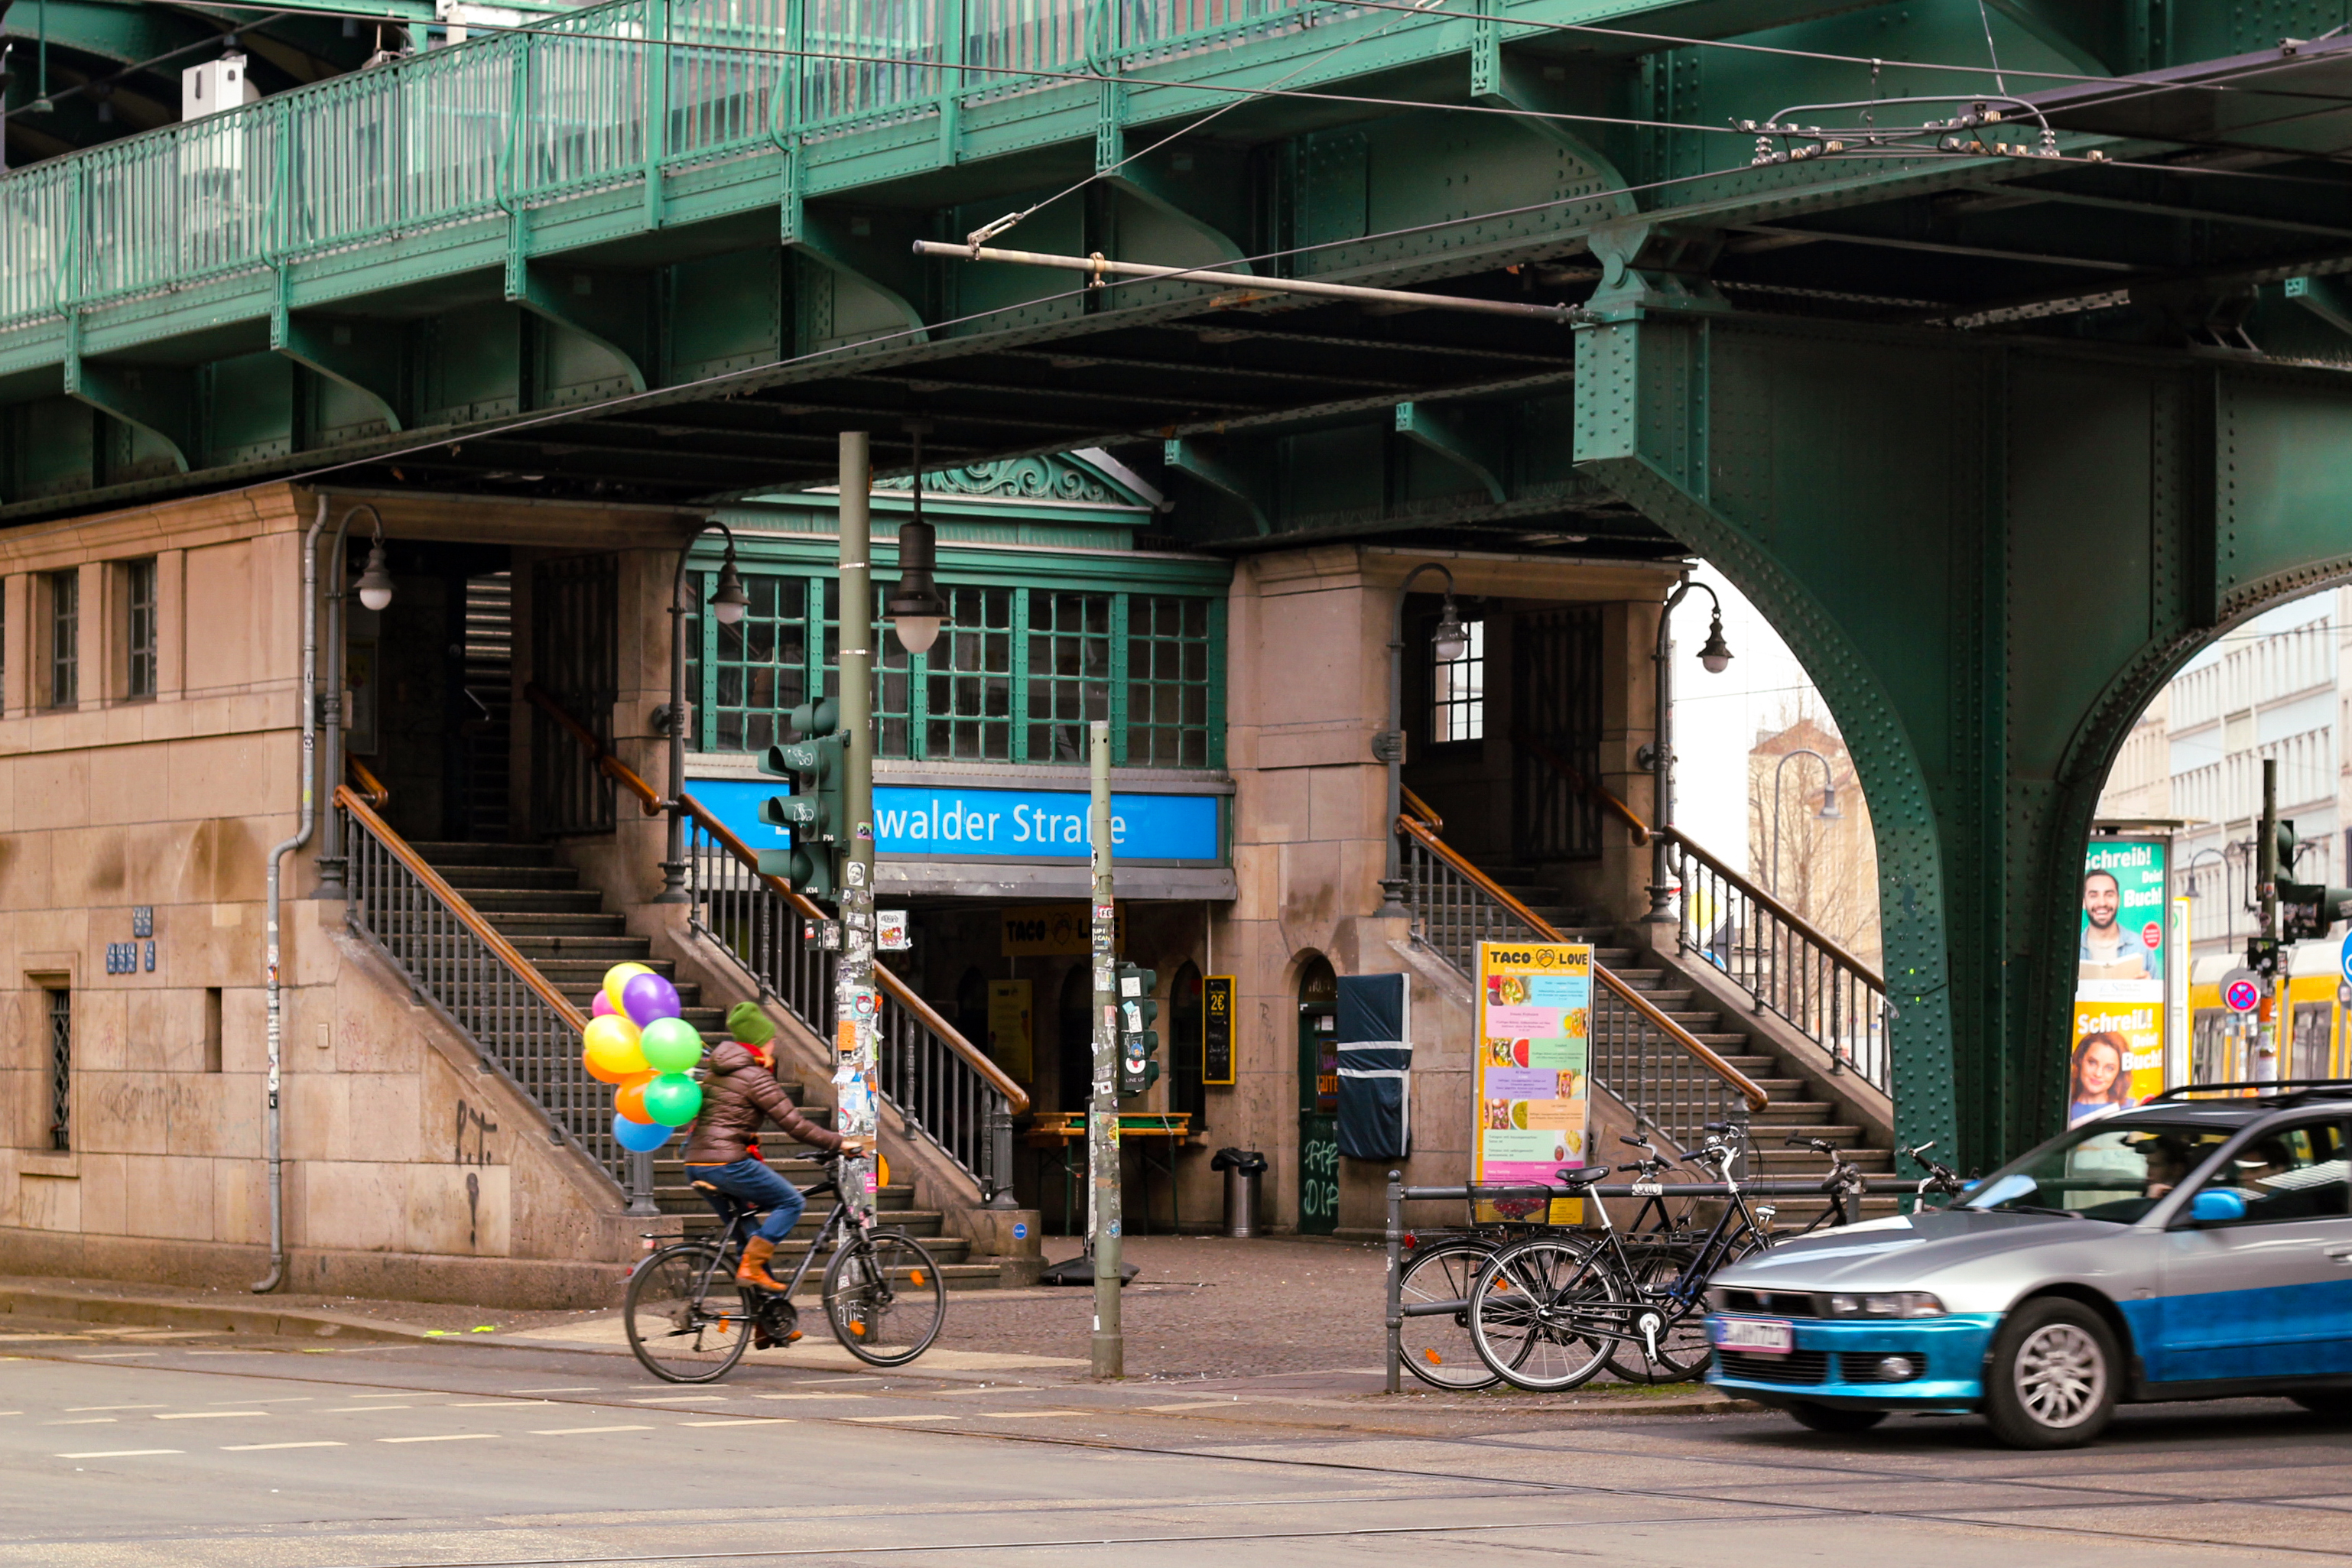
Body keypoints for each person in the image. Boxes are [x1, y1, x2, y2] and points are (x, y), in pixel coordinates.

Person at [681, 1002, 866, 1300]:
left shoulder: (716, 1072)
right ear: (760, 1041)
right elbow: (795, 1125)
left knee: (750, 1236)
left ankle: (765, 1324)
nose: (774, 1043)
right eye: (771, 1038)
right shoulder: (755, 1076)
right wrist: (839, 1142)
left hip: (696, 1162)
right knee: (791, 1202)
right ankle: (752, 1268)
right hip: (727, 1163)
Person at [2078, 870, 2159, 980]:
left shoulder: (2141, 946)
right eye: (2093, 896)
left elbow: (2159, 995)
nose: (2102, 903)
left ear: (2119, 900)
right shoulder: (2073, 950)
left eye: (2109, 895)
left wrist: (2149, 989)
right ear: (2083, 902)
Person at [2066, 1032, 2135, 1127]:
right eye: (2092, 1062)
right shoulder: (2064, 1108)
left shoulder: (2131, 1108)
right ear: (2080, 1060)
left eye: (2109, 1068)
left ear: (2119, 1072)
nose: (2098, 1074)